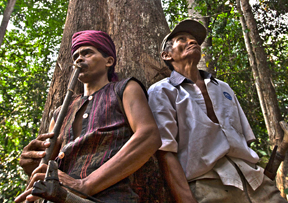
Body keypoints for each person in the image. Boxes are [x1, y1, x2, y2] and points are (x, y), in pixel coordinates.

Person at [147, 19, 286, 203]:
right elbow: (166, 151)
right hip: (208, 187)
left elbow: (243, 139)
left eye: (194, 40)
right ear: (167, 55)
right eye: (182, 39)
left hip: (257, 183)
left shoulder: (224, 88)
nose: (192, 42)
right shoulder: (162, 91)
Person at [15, 30, 162, 203]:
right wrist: (30, 163)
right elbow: (49, 163)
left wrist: (84, 185)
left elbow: (148, 137)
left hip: (110, 197)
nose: (79, 59)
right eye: (76, 55)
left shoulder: (124, 89)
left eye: (87, 53)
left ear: (109, 61)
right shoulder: (61, 111)